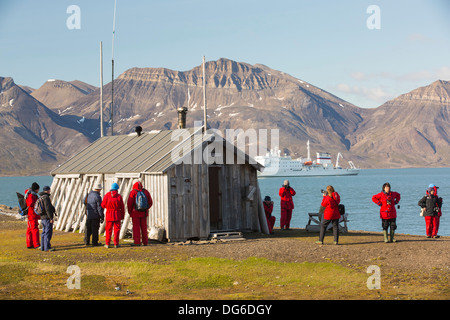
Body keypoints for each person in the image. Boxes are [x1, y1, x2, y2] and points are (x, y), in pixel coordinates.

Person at [127, 181, 153, 246]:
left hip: (135, 213)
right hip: (144, 213)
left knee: (136, 228)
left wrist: (130, 212)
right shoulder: (146, 192)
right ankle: (145, 242)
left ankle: (137, 242)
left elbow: (129, 203)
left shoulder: (133, 192)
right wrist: (146, 209)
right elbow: (150, 202)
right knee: (144, 228)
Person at [101, 183, 125, 248]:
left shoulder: (107, 195)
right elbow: (122, 207)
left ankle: (107, 243)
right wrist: (122, 216)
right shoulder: (119, 196)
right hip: (117, 214)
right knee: (117, 229)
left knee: (108, 229)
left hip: (109, 214)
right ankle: (116, 243)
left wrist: (108, 206)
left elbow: (103, 205)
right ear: (117, 189)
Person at [39, 186, 56, 252]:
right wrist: (51, 218)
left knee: (44, 232)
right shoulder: (46, 198)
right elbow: (47, 209)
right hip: (46, 218)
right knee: (48, 232)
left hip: (43, 217)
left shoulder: (41, 197)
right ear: (48, 190)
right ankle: (47, 247)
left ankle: (43, 246)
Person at [25, 182, 40, 249]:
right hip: (32, 215)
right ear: (35, 189)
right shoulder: (31, 195)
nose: (38, 191)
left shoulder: (30, 194)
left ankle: (30, 244)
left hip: (31, 215)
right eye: (38, 189)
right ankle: (36, 244)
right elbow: (30, 204)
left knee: (30, 229)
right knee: (34, 229)